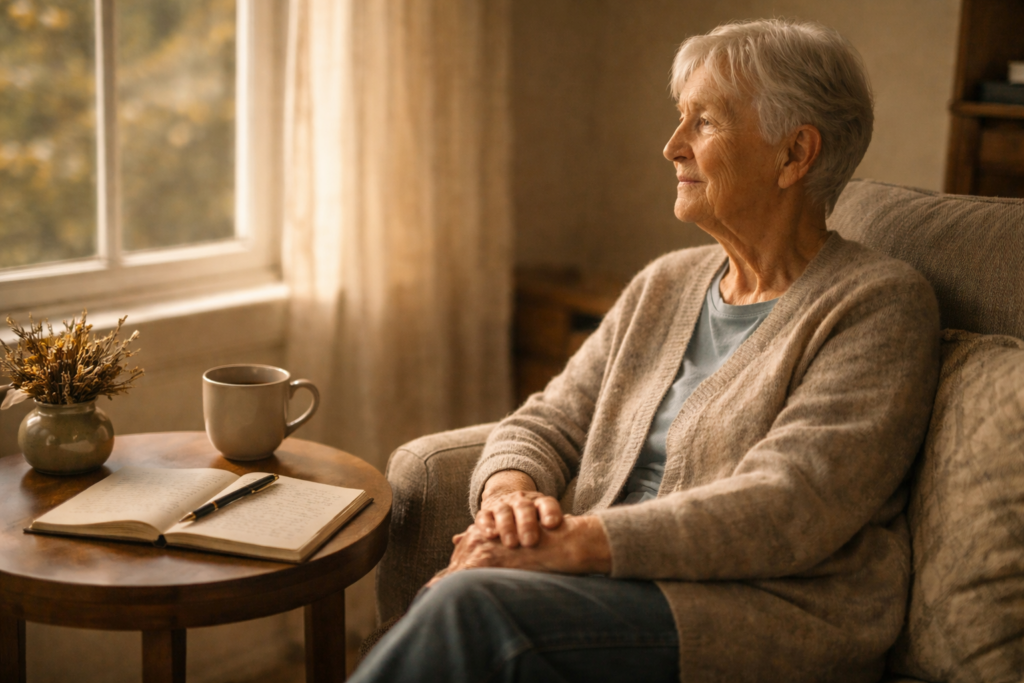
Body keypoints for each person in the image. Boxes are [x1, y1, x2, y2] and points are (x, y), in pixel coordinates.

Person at [351, 18, 940, 683]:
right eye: (678, 118)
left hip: (765, 609)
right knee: (466, 597)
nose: (671, 147)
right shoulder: (666, 284)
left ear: (794, 154)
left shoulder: (878, 305)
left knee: (470, 605)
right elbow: (547, 421)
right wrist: (507, 504)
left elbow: (787, 503)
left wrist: (567, 544)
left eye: (705, 123)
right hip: (615, 581)